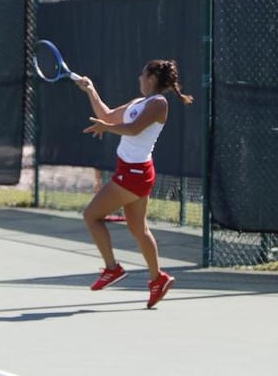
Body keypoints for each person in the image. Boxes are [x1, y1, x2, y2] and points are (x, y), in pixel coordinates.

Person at [75, 59, 193, 308]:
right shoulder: (137, 103)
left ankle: (112, 268)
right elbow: (106, 115)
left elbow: (133, 129)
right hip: (133, 171)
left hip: (134, 174)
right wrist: (91, 90)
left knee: (91, 216)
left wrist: (107, 128)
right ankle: (158, 279)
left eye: (142, 74)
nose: (139, 78)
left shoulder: (159, 104)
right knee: (138, 228)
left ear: (151, 78)